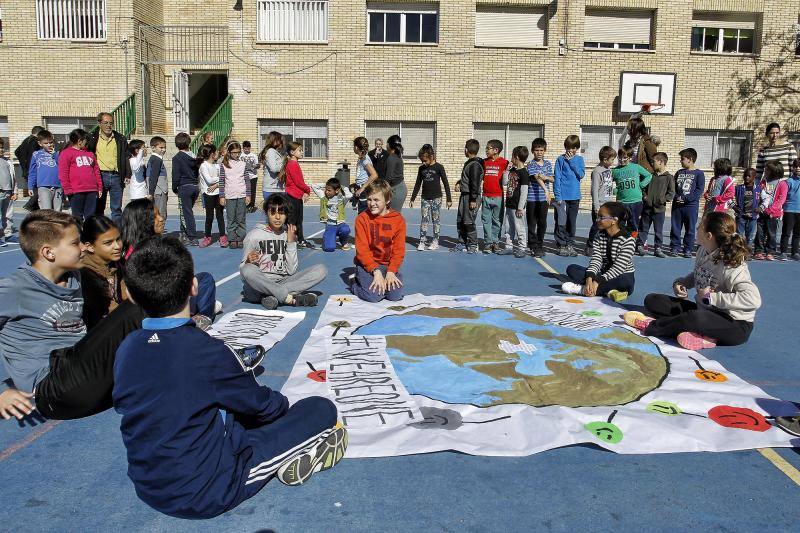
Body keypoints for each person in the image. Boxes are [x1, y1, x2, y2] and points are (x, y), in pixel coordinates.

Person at [114, 236, 345, 518]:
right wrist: (284, 410)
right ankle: (287, 454)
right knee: (320, 409)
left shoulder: (127, 347)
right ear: (194, 287)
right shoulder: (205, 350)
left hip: (146, 483)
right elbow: (262, 406)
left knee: (215, 410)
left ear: (132, 296)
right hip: (208, 489)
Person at [0, 210, 145, 421]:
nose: (84, 247)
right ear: (49, 253)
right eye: (76, 243)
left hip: (85, 376)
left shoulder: (76, 276)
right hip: (53, 390)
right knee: (137, 305)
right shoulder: (15, 289)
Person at [625, 211, 761, 350]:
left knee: (694, 318)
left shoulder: (732, 264)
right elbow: (700, 273)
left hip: (735, 324)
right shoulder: (703, 251)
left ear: (709, 236)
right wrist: (683, 283)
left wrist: (710, 298)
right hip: (705, 311)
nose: (696, 229)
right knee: (653, 301)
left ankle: (653, 326)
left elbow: (753, 299)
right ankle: (702, 336)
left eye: (700, 227)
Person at [121, 198, 218, 324]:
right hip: (158, 303)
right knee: (198, 288)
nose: (161, 219)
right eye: (155, 217)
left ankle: (201, 316)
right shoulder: (135, 255)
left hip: (172, 294)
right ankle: (199, 314)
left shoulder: (157, 244)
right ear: (142, 222)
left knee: (205, 279)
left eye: (159, 214)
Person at [240, 194, 326, 309]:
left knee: (321, 270)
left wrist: (291, 243)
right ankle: (288, 298)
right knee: (248, 270)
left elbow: (291, 271)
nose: (277, 217)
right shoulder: (254, 236)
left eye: (281, 213)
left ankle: (272, 297)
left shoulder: (288, 235)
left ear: (286, 215)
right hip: (258, 286)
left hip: (283, 281)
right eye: (273, 213)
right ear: (266, 213)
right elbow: (243, 274)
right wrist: (248, 261)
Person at [561, 202, 635, 302]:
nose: (597, 220)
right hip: (603, 275)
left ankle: (582, 290)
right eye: (597, 216)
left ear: (614, 220)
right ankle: (607, 291)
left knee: (624, 282)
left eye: (601, 217)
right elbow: (596, 259)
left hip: (621, 276)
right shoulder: (599, 236)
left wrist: (597, 281)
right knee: (572, 269)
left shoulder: (627, 240)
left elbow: (619, 268)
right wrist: (589, 279)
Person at [351, 180, 406, 302]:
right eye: (369, 199)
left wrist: (391, 272)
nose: (372, 204)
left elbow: (399, 250)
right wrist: (376, 272)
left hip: (388, 266)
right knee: (374, 296)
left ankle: (390, 278)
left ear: (387, 200)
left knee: (395, 296)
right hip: (368, 266)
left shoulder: (398, 220)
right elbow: (362, 250)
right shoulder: (362, 219)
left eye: (376, 200)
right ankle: (354, 284)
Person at [79, 215, 126, 330]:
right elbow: (106, 307)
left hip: (115, 321)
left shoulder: (116, 263)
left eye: (118, 239)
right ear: (89, 247)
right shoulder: (86, 271)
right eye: (108, 243)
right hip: (97, 328)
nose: (117, 246)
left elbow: (126, 293)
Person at [88, 112, 130, 224]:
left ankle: (116, 234)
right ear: (99, 123)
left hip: (116, 176)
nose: (108, 126)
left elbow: (126, 157)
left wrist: (127, 174)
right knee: (99, 208)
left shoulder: (120, 138)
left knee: (116, 209)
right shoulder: (92, 138)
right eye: (105, 123)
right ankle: (99, 232)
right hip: (100, 177)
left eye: (111, 123)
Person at [410, 144, 451, 251]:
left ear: (432, 156)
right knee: (424, 219)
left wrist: (449, 199)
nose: (424, 162)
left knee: (435, 220)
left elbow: (446, 183)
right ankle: (422, 241)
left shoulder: (439, 167)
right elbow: (417, 184)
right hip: (425, 198)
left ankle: (435, 241)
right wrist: (412, 198)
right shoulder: (421, 168)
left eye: (425, 160)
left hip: (437, 198)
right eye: (422, 160)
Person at [58, 129, 102, 223]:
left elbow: (96, 171)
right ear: (79, 141)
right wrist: (67, 189)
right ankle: (78, 235)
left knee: (90, 216)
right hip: (76, 191)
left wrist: (99, 187)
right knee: (77, 216)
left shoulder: (90, 154)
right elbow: (63, 173)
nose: (88, 142)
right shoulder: (66, 153)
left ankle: (89, 235)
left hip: (91, 190)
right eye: (86, 140)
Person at [668, 148, 705, 258]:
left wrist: (686, 199)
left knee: (690, 229)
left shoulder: (699, 174)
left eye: (682, 159)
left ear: (690, 159)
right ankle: (675, 247)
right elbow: (673, 188)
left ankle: (688, 249)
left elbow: (699, 190)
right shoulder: (679, 172)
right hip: (677, 206)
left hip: (691, 206)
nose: (680, 161)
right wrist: (676, 197)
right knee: (675, 227)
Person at [553, 135, 585, 257]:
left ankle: (570, 244)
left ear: (576, 148)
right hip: (562, 197)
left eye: (572, 148)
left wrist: (571, 162)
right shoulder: (560, 160)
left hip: (575, 196)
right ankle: (561, 244)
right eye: (567, 147)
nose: (569, 150)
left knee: (572, 222)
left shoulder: (579, 160)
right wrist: (558, 196)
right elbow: (557, 178)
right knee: (561, 222)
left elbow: (581, 174)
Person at [638, 152, 674, 257]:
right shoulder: (649, 176)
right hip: (647, 209)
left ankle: (658, 248)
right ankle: (639, 245)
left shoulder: (669, 177)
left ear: (661, 162)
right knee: (643, 228)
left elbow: (671, 194)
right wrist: (645, 197)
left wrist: (661, 200)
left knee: (658, 231)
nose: (652, 163)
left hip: (660, 210)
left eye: (654, 162)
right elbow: (642, 188)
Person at [612, 145, 651, 241]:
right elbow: (609, 183)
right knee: (620, 224)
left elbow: (648, 176)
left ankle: (632, 241)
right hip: (621, 202)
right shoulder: (615, 171)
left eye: (625, 157)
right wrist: (614, 190)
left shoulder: (636, 167)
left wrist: (641, 185)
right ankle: (620, 241)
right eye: (620, 157)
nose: (622, 159)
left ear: (630, 158)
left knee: (633, 224)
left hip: (636, 201)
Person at [280, 141, 314, 248]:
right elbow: (298, 182)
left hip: (296, 196)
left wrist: (304, 192)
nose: (302, 152)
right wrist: (307, 190)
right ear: (292, 152)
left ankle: (300, 239)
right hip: (292, 197)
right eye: (299, 150)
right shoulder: (292, 164)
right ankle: (291, 240)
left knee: (298, 220)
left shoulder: (294, 163)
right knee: (293, 220)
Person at [753, 161, 788, 261]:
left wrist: (770, 210)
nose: (765, 171)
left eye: (767, 170)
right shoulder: (764, 182)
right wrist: (759, 207)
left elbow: (781, 200)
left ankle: (770, 252)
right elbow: (759, 194)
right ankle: (758, 251)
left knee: (771, 233)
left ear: (774, 171)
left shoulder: (782, 183)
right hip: (762, 212)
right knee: (760, 233)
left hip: (773, 214)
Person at [219, 141, 251, 249]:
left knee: (241, 218)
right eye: (234, 152)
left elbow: (247, 180)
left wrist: (248, 195)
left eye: (238, 152)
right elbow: (222, 181)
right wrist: (222, 196)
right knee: (231, 218)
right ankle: (232, 239)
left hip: (241, 195)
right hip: (229, 195)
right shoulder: (224, 165)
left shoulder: (243, 164)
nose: (236, 154)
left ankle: (241, 238)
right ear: (229, 152)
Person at [453, 139, 483, 254]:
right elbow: (468, 179)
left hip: (471, 196)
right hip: (464, 195)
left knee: (468, 221)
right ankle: (462, 242)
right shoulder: (470, 163)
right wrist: (459, 183)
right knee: (460, 220)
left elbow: (474, 183)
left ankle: (473, 244)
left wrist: (473, 199)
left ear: (466, 150)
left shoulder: (475, 164)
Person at [500, 146, 530, 258]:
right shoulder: (512, 170)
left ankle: (522, 247)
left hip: (518, 207)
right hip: (509, 204)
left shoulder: (524, 173)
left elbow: (524, 191)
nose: (510, 158)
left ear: (516, 157)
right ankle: (508, 246)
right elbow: (504, 182)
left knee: (520, 227)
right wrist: (507, 171)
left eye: (512, 155)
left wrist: (520, 207)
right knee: (508, 227)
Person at [525, 138, 553, 258]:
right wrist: (546, 190)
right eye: (536, 150)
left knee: (542, 223)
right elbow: (537, 177)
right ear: (532, 151)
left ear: (545, 151)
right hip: (532, 199)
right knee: (532, 223)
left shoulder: (547, 164)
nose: (539, 152)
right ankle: (533, 245)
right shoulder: (531, 165)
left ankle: (540, 244)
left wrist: (546, 177)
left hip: (543, 200)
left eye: (541, 150)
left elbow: (552, 178)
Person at [172, 132, 200, 246]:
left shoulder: (177, 158)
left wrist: (174, 187)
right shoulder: (194, 156)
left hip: (184, 187)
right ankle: (183, 233)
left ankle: (192, 236)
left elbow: (176, 174)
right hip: (194, 186)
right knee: (185, 211)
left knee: (186, 212)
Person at [481, 139, 509, 254]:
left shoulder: (505, 163)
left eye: (488, 148)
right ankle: (488, 243)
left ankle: (495, 242)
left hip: (498, 197)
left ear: (496, 150)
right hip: (486, 196)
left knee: (497, 221)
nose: (486, 150)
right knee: (486, 220)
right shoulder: (484, 162)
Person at [588, 146, 617, 256]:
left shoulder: (609, 170)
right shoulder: (597, 171)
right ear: (605, 159)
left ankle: (605, 247)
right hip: (600, 204)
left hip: (609, 204)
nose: (613, 162)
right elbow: (594, 190)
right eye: (612, 159)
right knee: (597, 226)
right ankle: (590, 245)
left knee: (608, 226)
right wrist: (596, 206)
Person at [311, 178, 352, 252]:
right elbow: (314, 186)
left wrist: (341, 187)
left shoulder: (341, 199)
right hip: (330, 225)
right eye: (326, 189)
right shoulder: (323, 197)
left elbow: (349, 195)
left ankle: (343, 242)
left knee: (345, 229)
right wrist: (326, 185)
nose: (326, 192)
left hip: (340, 224)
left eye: (329, 190)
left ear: (336, 190)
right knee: (329, 248)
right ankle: (328, 237)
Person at [198, 143, 227, 248]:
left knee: (220, 216)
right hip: (208, 194)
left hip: (218, 193)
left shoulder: (217, 165)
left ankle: (223, 236)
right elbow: (209, 180)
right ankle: (207, 236)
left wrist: (217, 185)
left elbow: (223, 177)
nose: (217, 153)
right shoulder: (203, 165)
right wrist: (217, 181)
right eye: (215, 152)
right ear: (211, 153)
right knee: (209, 216)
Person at [28, 129, 62, 211]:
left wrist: (55, 154)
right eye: (46, 143)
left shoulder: (58, 153)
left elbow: (62, 165)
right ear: (40, 143)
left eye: (51, 142)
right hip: (43, 186)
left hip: (58, 186)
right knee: (47, 210)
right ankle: (47, 224)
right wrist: (30, 186)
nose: (49, 145)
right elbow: (32, 172)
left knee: (58, 211)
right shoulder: (36, 154)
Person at [15, 125, 44, 212]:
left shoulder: (26, 140)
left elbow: (17, 151)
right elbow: (35, 155)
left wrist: (23, 163)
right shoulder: (35, 142)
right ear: (38, 134)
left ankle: (35, 210)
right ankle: (29, 205)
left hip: (26, 170)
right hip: (33, 170)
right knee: (39, 189)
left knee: (33, 189)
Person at [733, 168, 760, 250]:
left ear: (754, 177)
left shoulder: (758, 189)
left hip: (753, 217)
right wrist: (734, 206)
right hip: (741, 216)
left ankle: (748, 251)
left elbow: (767, 199)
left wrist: (761, 207)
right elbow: (729, 197)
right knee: (739, 235)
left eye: (749, 176)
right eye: (745, 175)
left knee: (750, 236)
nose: (746, 177)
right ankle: (739, 251)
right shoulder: (738, 188)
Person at [779, 159, 800, 260]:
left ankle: (795, 252)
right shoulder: (788, 182)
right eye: (796, 167)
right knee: (786, 232)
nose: (798, 168)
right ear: (793, 168)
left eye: (799, 166)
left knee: (797, 234)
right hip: (789, 210)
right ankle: (783, 252)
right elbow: (783, 196)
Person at [351, 136, 379, 214]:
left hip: (364, 191)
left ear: (356, 147)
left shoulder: (365, 159)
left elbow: (374, 175)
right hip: (360, 189)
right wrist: (356, 184)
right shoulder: (362, 158)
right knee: (361, 213)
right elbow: (363, 175)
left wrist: (362, 188)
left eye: (353, 146)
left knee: (363, 214)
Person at [146, 136, 169, 219]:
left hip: (157, 191)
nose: (163, 149)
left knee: (156, 213)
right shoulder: (157, 160)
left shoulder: (154, 159)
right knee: (160, 214)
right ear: (153, 148)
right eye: (161, 147)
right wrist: (151, 193)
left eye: (165, 147)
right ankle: (158, 231)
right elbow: (153, 177)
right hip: (159, 191)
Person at [258, 131, 285, 201]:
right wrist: (285, 166)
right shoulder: (271, 151)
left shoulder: (275, 152)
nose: (283, 141)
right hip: (272, 189)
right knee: (273, 211)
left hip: (277, 188)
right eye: (280, 139)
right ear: (275, 141)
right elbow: (274, 168)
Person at [0, 140, 18, 247]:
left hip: (8, 191)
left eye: (2, 147)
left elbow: (13, 178)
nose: (1, 150)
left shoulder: (7, 161)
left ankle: (8, 234)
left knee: (8, 214)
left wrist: (14, 191)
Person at [385, 135, 406, 213]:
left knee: (393, 215)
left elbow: (389, 177)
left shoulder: (392, 157)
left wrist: (381, 189)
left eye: (387, 144)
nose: (386, 146)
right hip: (399, 188)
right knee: (393, 214)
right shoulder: (397, 156)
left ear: (390, 145)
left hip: (396, 190)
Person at [242, 140, 260, 213]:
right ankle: (244, 205)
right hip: (243, 177)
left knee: (252, 192)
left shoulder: (253, 155)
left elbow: (258, 165)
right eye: (245, 149)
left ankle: (251, 206)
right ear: (243, 148)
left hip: (253, 176)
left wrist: (253, 167)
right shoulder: (241, 155)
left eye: (248, 149)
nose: (246, 150)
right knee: (244, 191)